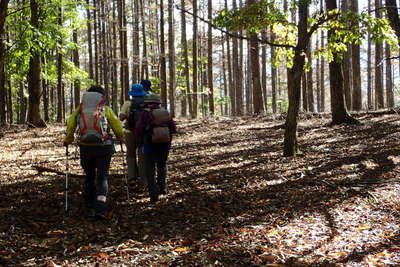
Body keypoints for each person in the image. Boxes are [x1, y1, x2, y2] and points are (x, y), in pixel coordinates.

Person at [63, 85, 124, 219]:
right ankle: (100, 207)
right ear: (101, 96)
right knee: (102, 177)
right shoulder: (104, 108)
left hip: (86, 147)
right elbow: (117, 125)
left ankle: (88, 204)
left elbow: (71, 124)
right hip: (104, 146)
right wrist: (121, 137)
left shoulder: (80, 109)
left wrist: (68, 140)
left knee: (89, 175)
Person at [135, 94, 177, 203]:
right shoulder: (164, 112)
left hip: (149, 144)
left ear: (148, 103)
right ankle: (162, 188)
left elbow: (139, 129)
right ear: (159, 103)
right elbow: (173, 128)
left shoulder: (145, 113)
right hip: (165, 144)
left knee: (150, 168)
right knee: (162, 165)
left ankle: (153, 194)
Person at [119, 84, 146, 182]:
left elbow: (121, 117)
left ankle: (131, 176)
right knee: (142, 155)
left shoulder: (127, 103)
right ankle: (143, 178)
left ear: (132, 93)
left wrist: (127, 117)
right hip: (143, 133)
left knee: (130, 154)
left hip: (129, 132)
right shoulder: (146, 103)